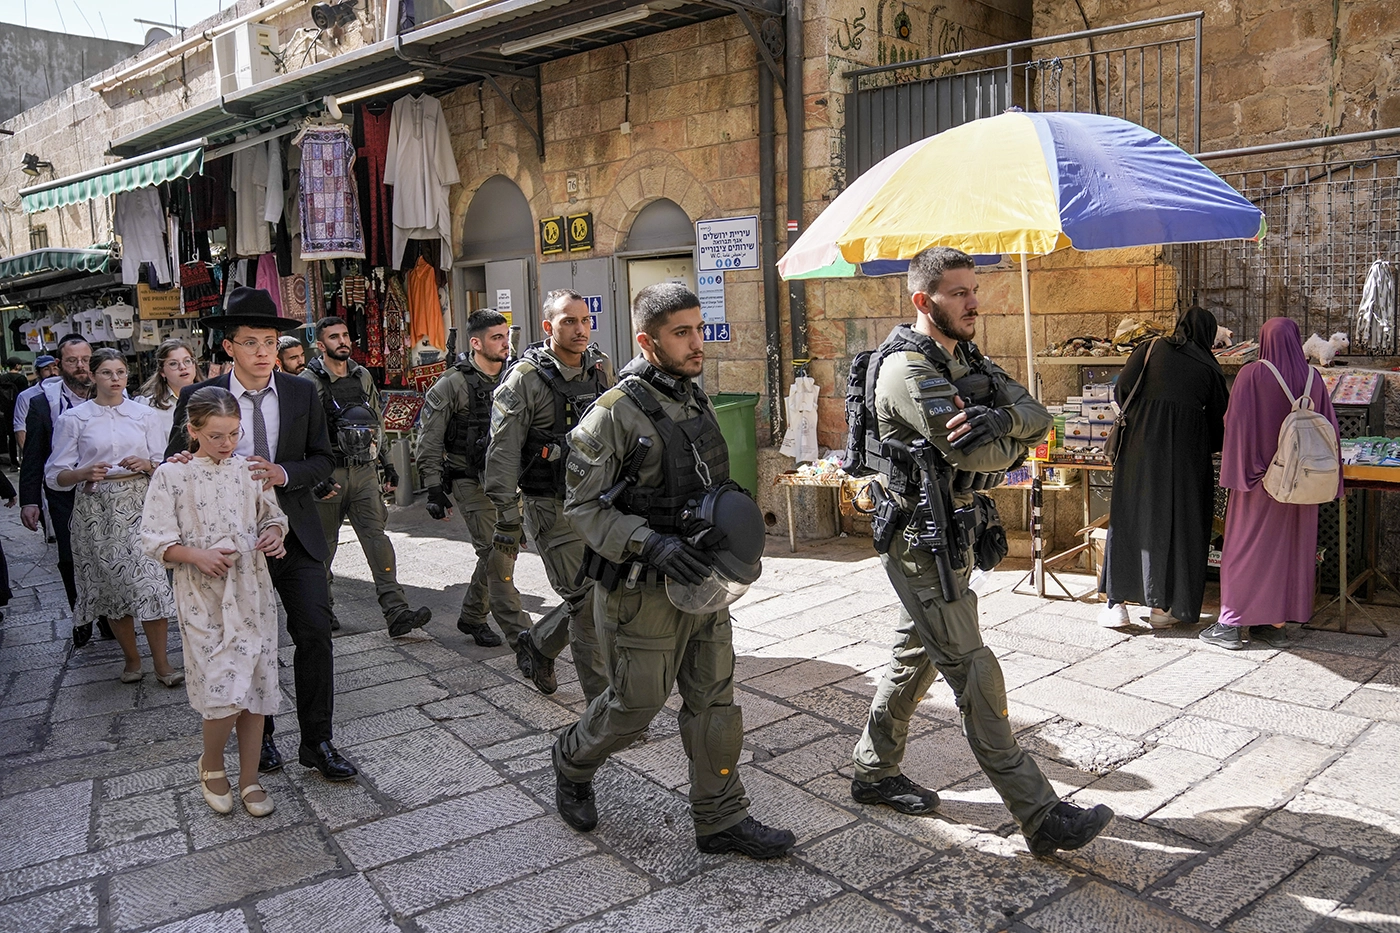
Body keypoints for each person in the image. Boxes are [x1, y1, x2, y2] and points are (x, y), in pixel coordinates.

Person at [848, 247, 1113, 857]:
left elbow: (1038, 414)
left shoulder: (966, 357)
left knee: (914, 657)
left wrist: (998, 422)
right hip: (921, 541)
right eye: (959, 293)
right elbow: (973, 456)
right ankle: (1039, 812)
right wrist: (1008, 442)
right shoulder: (907, 370)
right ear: (924, 301)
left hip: (958, 530)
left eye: (974, 289)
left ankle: (873, 770)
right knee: (973, 669)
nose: (974, 302)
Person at [552, 283, 795, 859]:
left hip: (703, 582)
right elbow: (582, 507)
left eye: (698, 328)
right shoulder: (612, 415)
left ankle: (721, 818)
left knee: (716, 703)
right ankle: (571, 760)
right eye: (680, 333)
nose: (697, 342)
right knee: (634, 709)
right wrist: (648, 544)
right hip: (641, 590)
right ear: (647, 340)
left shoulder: (695, 400)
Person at [167, 287, 358, 783]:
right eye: (250, 341)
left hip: (294, 535)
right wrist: (186, 460)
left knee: (314, 630)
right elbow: (175, 461)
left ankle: (317, 740)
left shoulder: (300, 392)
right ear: (229, 346)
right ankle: (262, 736)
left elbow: (322, 458)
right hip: (231, 550)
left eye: (269, 341)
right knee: (251, 641)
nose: (261, 351)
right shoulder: (199, 398)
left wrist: (283, 474)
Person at [142, 386, 288, 817]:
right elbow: (153, 538)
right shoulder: (172, 475)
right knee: (222, 684)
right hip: (201, 593)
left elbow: (272, 515)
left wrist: (274, 535)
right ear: (192, 431)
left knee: (257, 682)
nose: (227, 444)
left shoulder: (248, 470)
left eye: (234, 434)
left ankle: (249, 778)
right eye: (216, 436)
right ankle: (210, 764)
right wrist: (195, 554)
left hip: (251, 588)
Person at [484, 289, 614, 698]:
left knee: (604, 593)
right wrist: (507, 515)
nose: (580, 329)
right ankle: (603, 704)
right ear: (548, 327)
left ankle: (538, 643)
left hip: (597, 501)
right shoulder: (525, 378)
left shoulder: (600, 367)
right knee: (587, 603)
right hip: (549, 505)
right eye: (568, 322)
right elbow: (502, 450)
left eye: (585, 320)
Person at [46, 348, 182, 685]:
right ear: (93, 376)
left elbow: (163, 464)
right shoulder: (74, 420)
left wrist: (148, 464)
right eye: (107, 373)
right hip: (97, 508)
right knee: (114, 588)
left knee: (150, 583)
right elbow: (55, 475)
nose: (115, 379)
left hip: (140, 503)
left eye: (120, 372)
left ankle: (163, 664)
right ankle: (132, 660)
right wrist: (83, 472)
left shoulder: (143, 415)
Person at [1208, 317, 1342, 649]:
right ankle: (1274, 624)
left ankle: (1230, 624)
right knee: (1290, 551)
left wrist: (1240, 474)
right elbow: (1331, 431)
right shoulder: (1313, 378)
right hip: (1303, 483)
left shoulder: (1252, 374)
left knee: (1245, 548)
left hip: (1259, 482)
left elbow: (1235, 424)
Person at [1098, 307, 1228, 629]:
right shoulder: (1209, 368)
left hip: (1140, 444)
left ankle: (1117, 605)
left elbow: (1122, 388)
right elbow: (1219, 422)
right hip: (1186, 454)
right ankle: (1163, 609)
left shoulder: (1151, 348)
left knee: (1131, 516)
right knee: (1180, 524)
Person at [302, 316, 431, 637]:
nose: (342, 341)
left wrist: (387, 466)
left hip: (363, 471)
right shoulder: (307, 381)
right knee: (324, 547)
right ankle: (322, 609)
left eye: (346, 335)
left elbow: (375, 423)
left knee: (378, 540)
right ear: (321, 344)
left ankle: (397, 611)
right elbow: (301, 433)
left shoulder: (362, 377)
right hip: (327, 474)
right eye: (334, 337)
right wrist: (313, 475)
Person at [416, 309, 530, 648]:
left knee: (503, 553)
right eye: (496, 337)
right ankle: (521, 633)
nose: (504, 343)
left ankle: (471, 615)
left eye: (506, 336)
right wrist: (434, 488)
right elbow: (430, 438)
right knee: (495, 552)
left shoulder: (516, 376)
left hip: (509, 479)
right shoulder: (453, 383)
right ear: (476, 343)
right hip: (468, 477)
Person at [19, 337, 94, 638]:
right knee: (69, 556)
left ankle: (108, 616)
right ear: (59, 365)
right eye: (73, 360)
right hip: (63, 493)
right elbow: (33, 456)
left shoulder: (111, 393)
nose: (81, 366)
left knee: (105, 555)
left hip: (103, 491)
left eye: (86, 359)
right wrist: (29, 500)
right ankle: (82, 616)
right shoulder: (43, 403)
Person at [136, 339, 204, 443]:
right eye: (173, 364)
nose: (182, 367)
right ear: (162, 371)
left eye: (187, 361)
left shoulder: (212, 397)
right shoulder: (148, 406)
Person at [13, 353, 59, 451]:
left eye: (55, 368)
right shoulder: (26, 396)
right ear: (37, 373)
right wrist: (28, 455)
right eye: (46, 369)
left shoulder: (66, 392)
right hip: (39, 447)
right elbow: (20, 427)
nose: (52, 372)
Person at [0, 357, 30, 464]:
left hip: (7, 410)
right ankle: (25, 458)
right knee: (24, 432)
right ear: (17, 366)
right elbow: (26, 395)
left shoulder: (2, 378)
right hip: (21, 409)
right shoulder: (21, 379)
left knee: (11, 436)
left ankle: (13, 461)